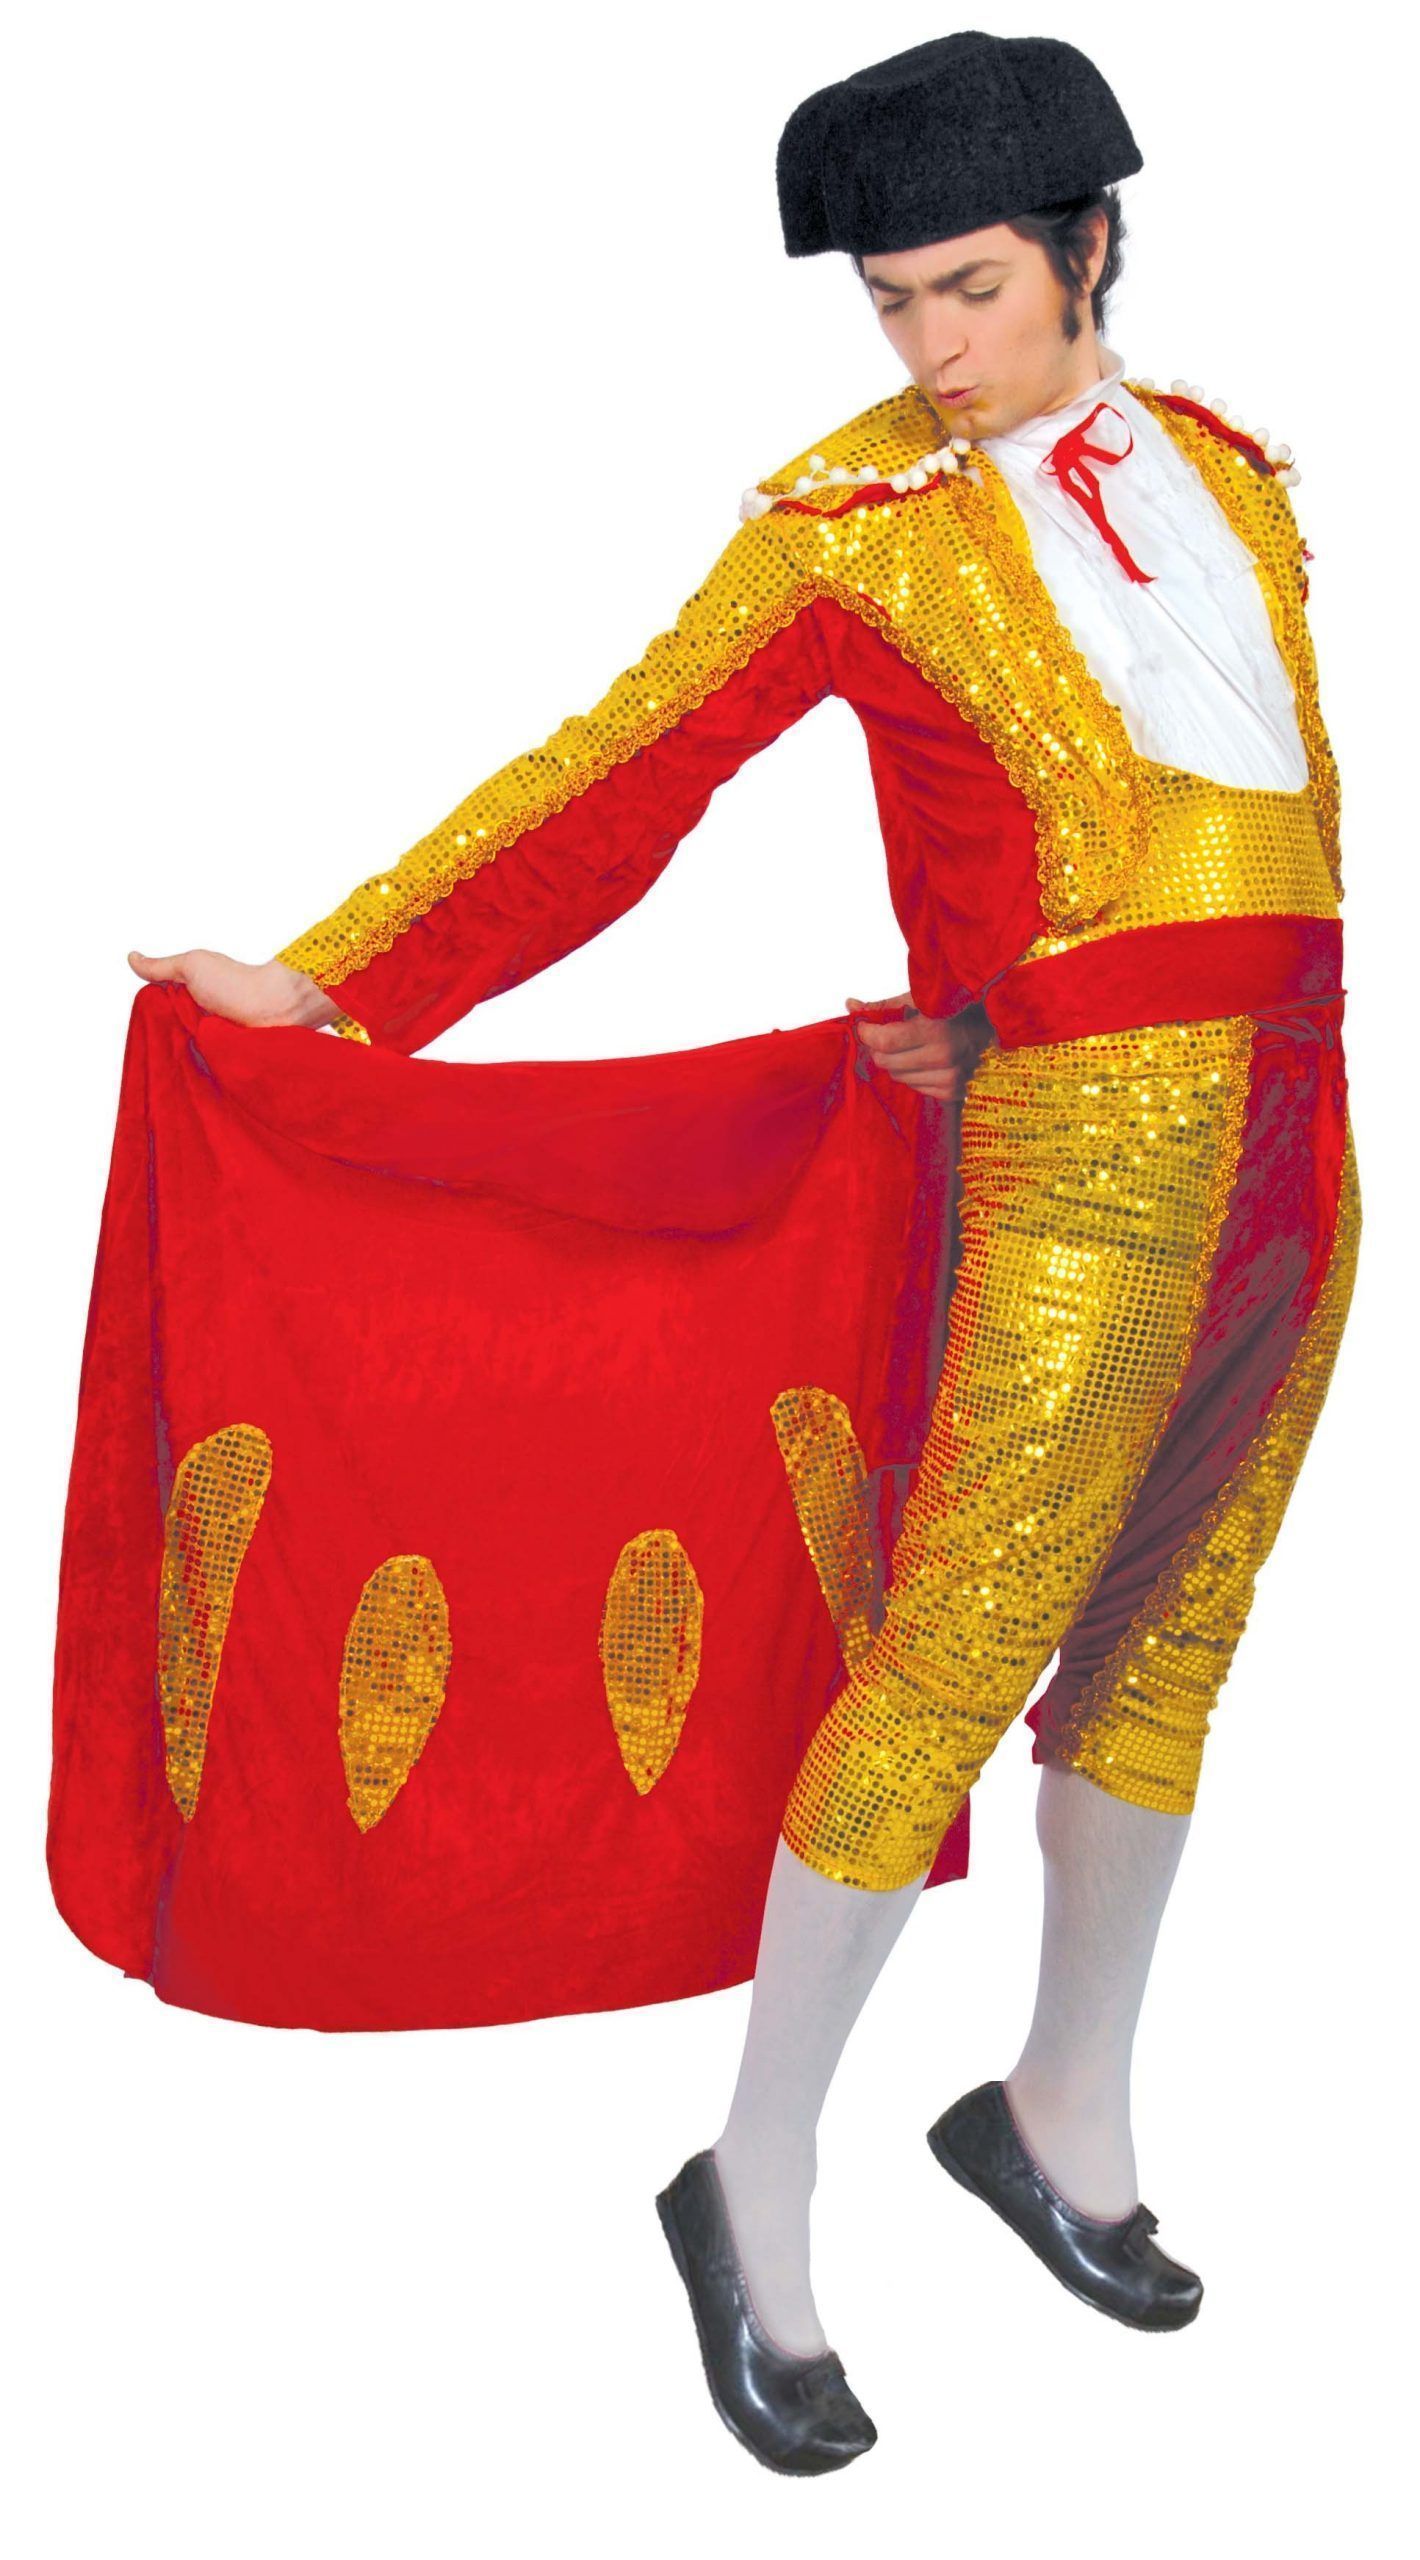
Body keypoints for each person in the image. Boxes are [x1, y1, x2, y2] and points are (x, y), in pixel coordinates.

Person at [127, 30, 1360, 2479]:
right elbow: (617, 774)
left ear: (1090, 247)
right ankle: (755, 2168)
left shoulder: (1231, 471)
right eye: (890, 301)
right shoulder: (849, 529)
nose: (926, 344)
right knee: (950, 1647)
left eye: (968, 288)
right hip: (1072, 1149)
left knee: (1176, 1624)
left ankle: (1058, 2101)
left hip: (1295, 1127)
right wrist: (340, 976)